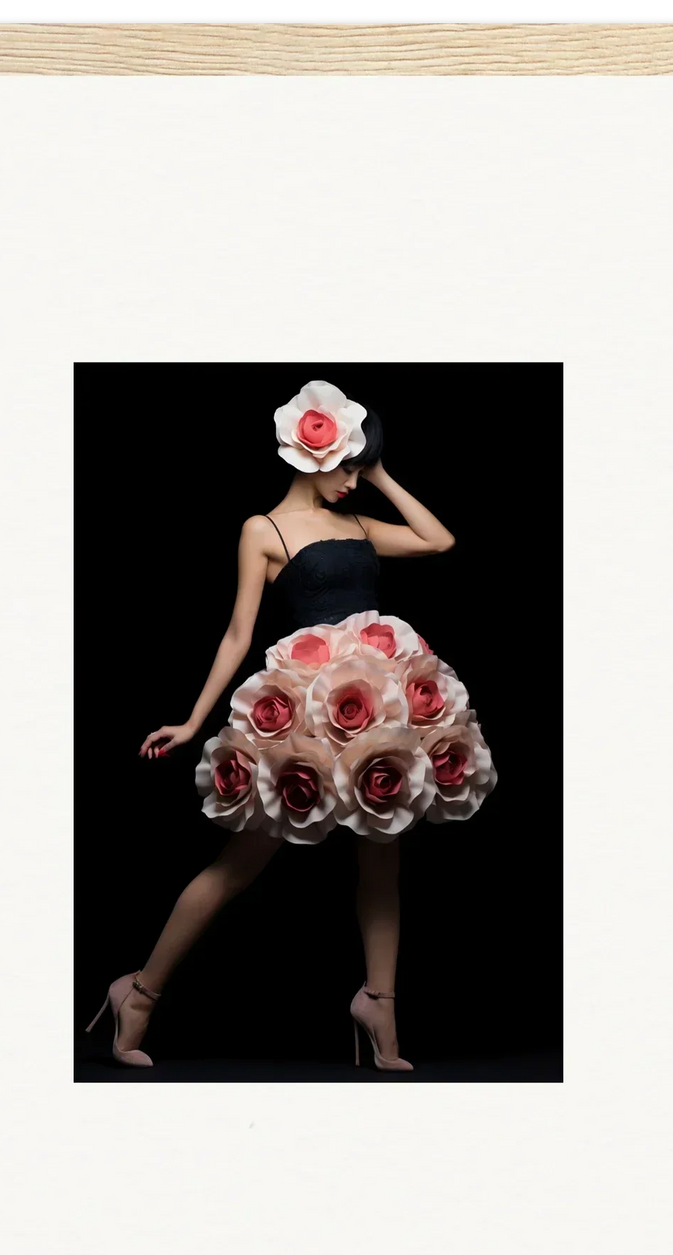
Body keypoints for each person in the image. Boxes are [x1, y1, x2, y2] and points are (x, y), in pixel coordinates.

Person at [87, 381, 496, 1071]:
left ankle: (380, 1008)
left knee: (382, 856)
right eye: (343, 464)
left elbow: (438, 540)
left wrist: (379, 472)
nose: (349, 480)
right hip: (309, 709)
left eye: (356, 467)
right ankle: (140, 991)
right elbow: (238, 632)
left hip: (379, 708)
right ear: (308, 457)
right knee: (238, 864)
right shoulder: (264, 530)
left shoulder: (360, 523)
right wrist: (192, 720)